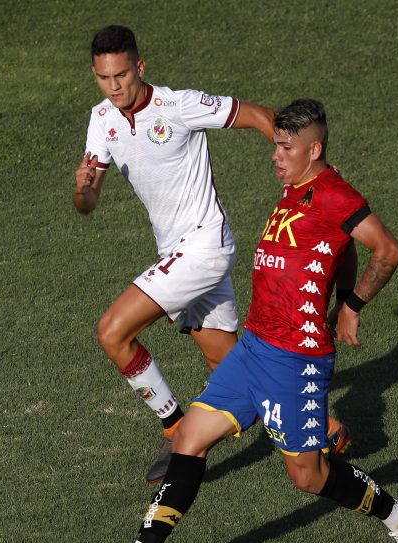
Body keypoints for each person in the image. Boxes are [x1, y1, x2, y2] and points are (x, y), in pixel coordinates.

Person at [103, 99, 398, 543]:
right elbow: (335, 250)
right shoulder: (294, 188)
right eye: (275, 144)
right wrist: (340, 292)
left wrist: (353, 305)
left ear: (313, 148)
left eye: (285, 147)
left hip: (295, 360)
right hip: (254, 347)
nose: (275, 155)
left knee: (310, 477)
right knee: (188, 439)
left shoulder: (335, 194)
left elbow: (386, 249)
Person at [74, 26, 350, 483]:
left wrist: (304, 178)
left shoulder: (179, 106)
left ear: (140, 68)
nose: (115, 86)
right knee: (226, 365)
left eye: (122, 74)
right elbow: (87, 205)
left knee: (112, 332)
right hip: (175, 250)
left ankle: (174, 426)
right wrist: (82, 187)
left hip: (204, 247)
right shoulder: (101, 119)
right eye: (105, 78)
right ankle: (326, 428)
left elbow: (260, 115)